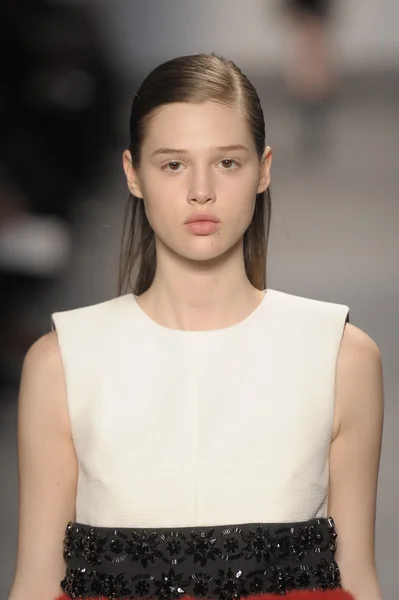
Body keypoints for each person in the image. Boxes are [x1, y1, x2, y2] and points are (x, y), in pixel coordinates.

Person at [7, 54, 383, 600]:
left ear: (264, 168)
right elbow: (37, 584)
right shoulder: (62, 363)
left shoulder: (340, 357)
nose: (200, 191)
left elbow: (357, 578)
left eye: (227, 163)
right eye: (173, 164)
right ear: (133, 174)